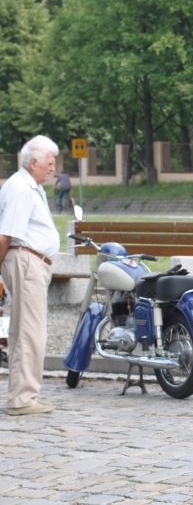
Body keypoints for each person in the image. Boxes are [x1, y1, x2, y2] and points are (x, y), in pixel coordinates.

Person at [0, 135, 60, 416]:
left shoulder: (30, 186)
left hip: (31, 262)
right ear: (34, 162)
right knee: (29, 331)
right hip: (26, 261)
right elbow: (5, 234)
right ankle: (22, 399)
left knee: (27, 330)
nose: (53, 168)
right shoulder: (22, 189)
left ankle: (24, 395)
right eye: (50, 162)